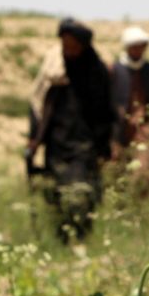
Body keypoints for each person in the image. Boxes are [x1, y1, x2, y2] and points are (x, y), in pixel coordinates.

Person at [27, 18, 116, 242]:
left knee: (81, 195)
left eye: (73, 45)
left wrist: (104, 146)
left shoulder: (96, 71)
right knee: (56, 194)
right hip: (56, 143)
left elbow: (105, 111)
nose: (69, 50)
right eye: (65, 44)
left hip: (84, 146)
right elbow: (39, 105)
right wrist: (34, 138)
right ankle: (63, 240)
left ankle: (81, 240)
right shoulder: (55, 71)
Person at [111, 26, 149, 198]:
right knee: (117, 174)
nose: (139, 50)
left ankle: (139, 207)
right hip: (120, 131)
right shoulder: (116, 69)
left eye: (142, 46)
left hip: (143, 131)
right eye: (135, 46)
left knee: (144, 174)